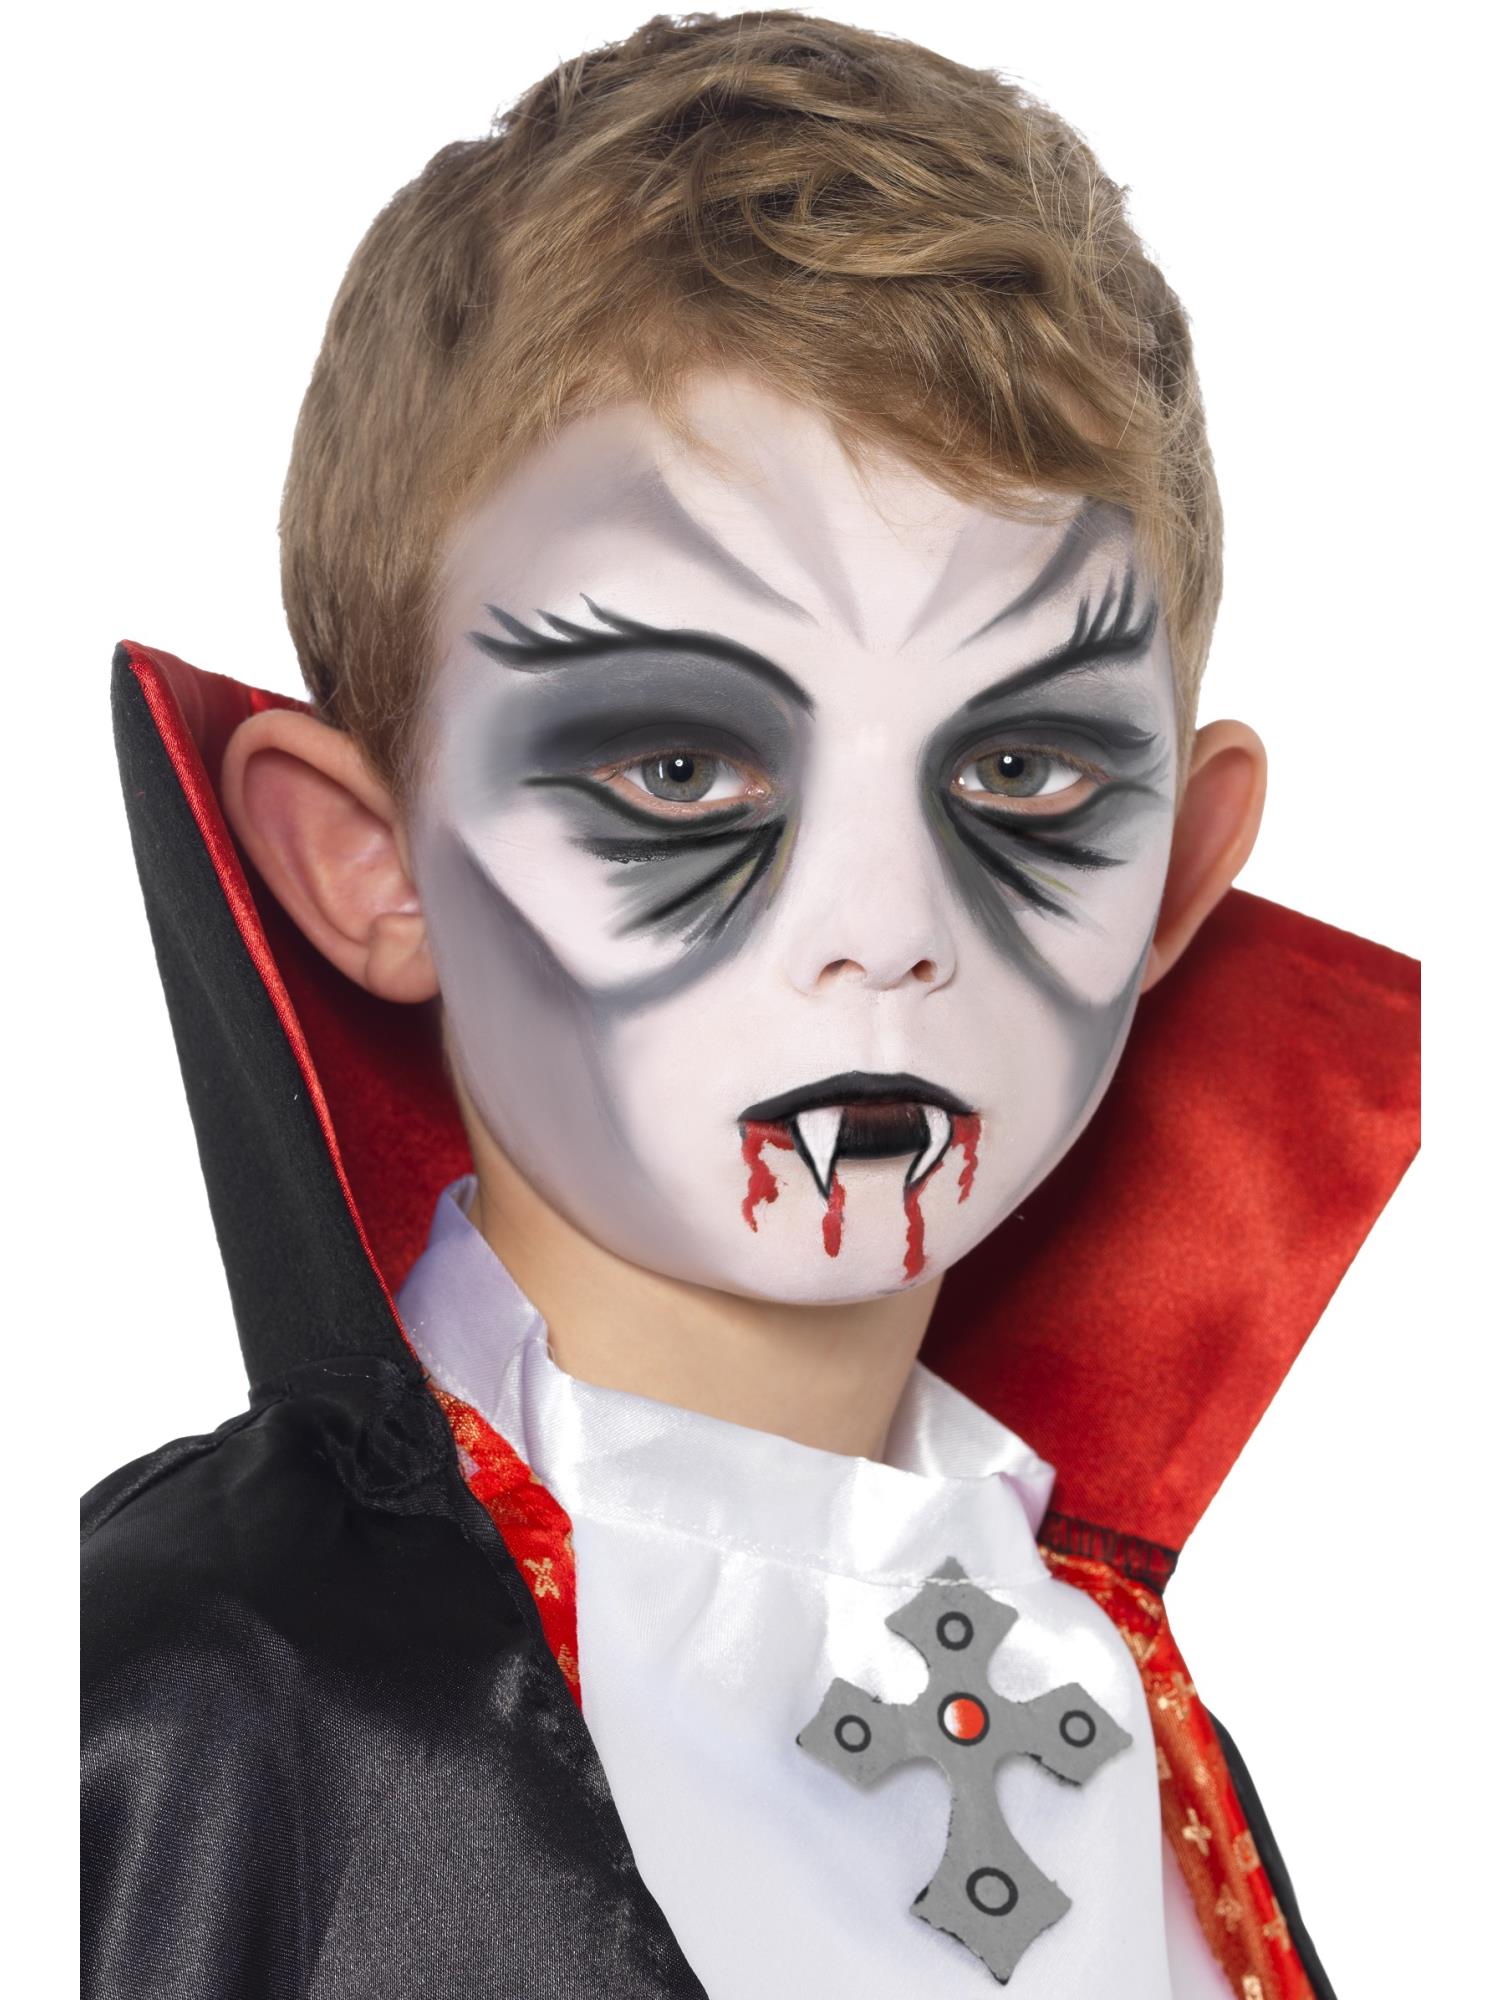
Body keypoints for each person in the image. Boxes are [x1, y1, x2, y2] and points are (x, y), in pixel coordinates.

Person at [82, 14, 1417, 1996]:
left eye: (1025, 771)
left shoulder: (1142, 1727)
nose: (885, 932)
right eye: (681, 768)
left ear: (1178, 872)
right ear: (367, 857)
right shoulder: (156, 1708)